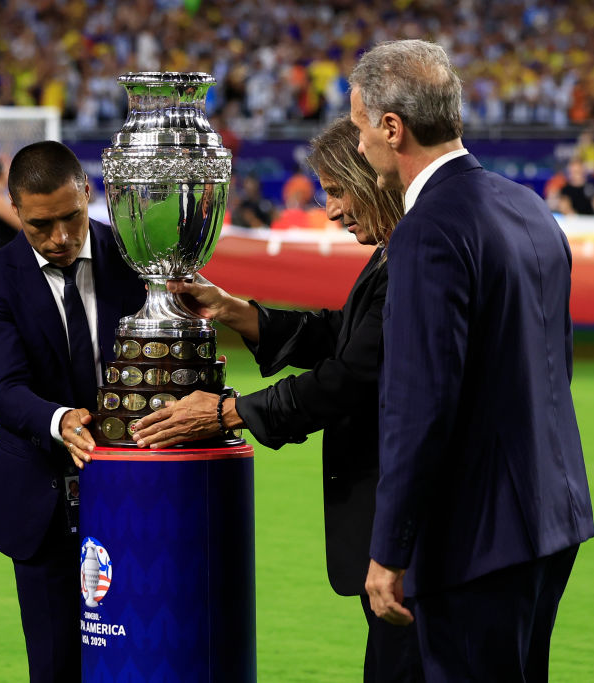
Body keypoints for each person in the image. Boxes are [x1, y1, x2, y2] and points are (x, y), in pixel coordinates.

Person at [131, 117, 423, 682]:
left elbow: (350, 377)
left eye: (337, 191)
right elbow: (347, 336)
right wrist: (237, 310)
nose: (332, 210)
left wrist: (225, 411)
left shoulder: (411, 257)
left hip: (412, 531)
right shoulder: (395, 252)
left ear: (375, 175)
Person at [348, 39, 594, 680]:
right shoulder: (530, 208)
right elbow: (553, 368)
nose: (358, 145)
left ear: (392, 128)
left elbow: (420, 404)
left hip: (475, 540)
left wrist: (390, 549)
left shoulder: (428, 230)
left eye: (359, 127)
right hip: (551, 518)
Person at [0, 140, 145, 682]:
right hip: (39, 502)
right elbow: (5, 389)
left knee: (138, 655)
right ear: (15, 209)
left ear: (88, 193)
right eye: (42, 225)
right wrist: (60, 420)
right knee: (55, 666)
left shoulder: (137, 260)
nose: (61, 237)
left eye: (72, 217)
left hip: (136, 492)